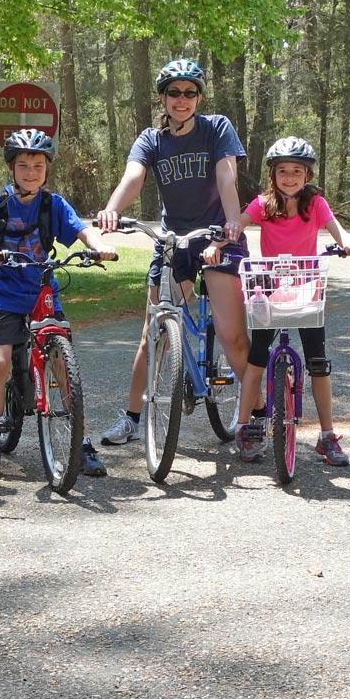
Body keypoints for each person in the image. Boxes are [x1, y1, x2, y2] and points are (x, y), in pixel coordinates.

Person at [92, 58, 260, 458]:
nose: (181, 100)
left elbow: (225, 176)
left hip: (219, 237)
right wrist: (113, 207)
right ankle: (132, 417)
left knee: (233, 334)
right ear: (163, 98)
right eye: (174, 93)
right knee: (153, 331)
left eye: (189, 92)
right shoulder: (151, 140)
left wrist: (233, 221)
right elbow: (133, 176)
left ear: (198, 97)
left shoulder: (216, 128)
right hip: (174, 239)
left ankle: (254, 416)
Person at [0, 129, 120, 482]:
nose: (31, 172)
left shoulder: (54, 204)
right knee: (0, 362)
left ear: (47, 168)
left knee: (63, 362)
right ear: (11, 168)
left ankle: (80, 443)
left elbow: (82, 231)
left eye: (38, 165)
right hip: (3, 288)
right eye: (23, 165)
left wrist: (98, 247)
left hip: (41, 287)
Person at [231, 137, 350, 466]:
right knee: (256, 360)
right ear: (272, 174)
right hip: (269, 288)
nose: (289, 178)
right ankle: (246, 428)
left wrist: (347, 242)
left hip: (307, 289)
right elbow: (239, 224)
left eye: (297, 171)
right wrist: (223, 238)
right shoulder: (262, 203)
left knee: (318, 361)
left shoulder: (316, 204)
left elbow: (338, 230)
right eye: (283, 171)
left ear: (308, 176)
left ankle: (327, 435)